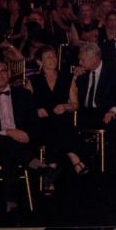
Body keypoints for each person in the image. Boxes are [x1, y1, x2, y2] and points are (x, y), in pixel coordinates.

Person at [28, 45, 87, 181]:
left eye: (54, 56)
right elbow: (28, 108)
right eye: (48, 57)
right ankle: (73, 156)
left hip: (62, 120)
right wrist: (36, 112)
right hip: (43, 121)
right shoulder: (33, 81)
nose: (53, 59)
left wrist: (66, 107)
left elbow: (75, 104)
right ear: (39, 62)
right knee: (55, 126)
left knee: (58, 125)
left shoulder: (67, 77)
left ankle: (51, 168)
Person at [0, 57, 39, 212]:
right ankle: (34, 163)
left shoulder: (24, 94)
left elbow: (34, 123)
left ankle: (11, 201)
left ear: (10, 73)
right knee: (4, 141)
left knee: (8, 152)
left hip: (19, 143)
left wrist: (27, 135)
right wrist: (9, 132)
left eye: (3, 71)